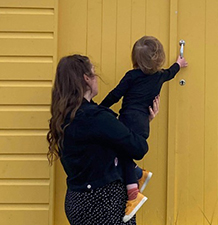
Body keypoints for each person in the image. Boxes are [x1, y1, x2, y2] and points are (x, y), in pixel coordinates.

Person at [47, 54, 160, 225]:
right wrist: (143, 123)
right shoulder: (97, 118)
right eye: (94, 73)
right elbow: (138, 148)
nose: (96, 79)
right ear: (86, 79)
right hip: (103, 203)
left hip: (77, 201)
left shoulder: (64, 117)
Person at [100, 35, 188, 222]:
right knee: (124, 154)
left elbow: (116, 94)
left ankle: (133, 195)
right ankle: (139, 174)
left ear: (135, 59)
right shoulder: (160, 76)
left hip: (128, 121)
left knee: (122, 154)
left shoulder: (131, 76)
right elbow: (172, 72)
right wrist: (179, 63)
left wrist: (100, 107)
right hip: (143, 124)